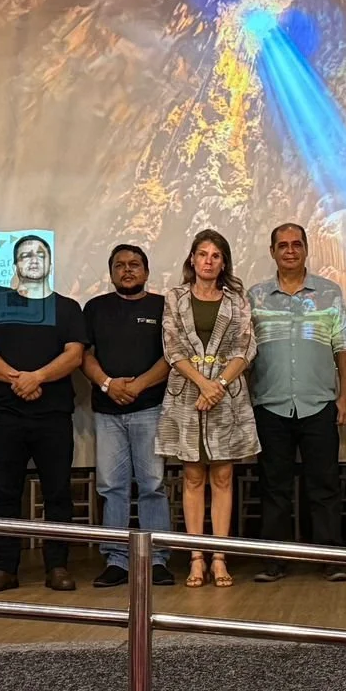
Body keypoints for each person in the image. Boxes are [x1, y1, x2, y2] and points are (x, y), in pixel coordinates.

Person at [0, 235, 86, 593]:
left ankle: (57, 567)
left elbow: (74, 356)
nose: (33, 260)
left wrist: (37, 377)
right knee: (5, 493)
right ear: (16, 264)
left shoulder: (67, 308)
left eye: (40, 254)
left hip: (52, 415)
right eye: (25, 255)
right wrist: (18, 379)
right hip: (6, 414)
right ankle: (4, 568)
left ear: (50, 263)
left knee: (57, 493)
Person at [246, 223, 346, 583]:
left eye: (296, 244)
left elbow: (344, 348)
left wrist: (344, 398)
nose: (290, 250)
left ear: (306, 249)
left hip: (319, 403)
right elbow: (243, 353)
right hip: (270, 403)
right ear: (272, 251)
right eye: (282, 245)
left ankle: (330, 558)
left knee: (324, 485)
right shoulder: (255, 297)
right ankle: (274, 560)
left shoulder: (329, 293)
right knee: (274, 486)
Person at [156, 230, 259, 589]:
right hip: (188, 395)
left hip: (227, 397)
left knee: (223, 477)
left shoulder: (237, 301)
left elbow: (245, 348)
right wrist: (204, 384)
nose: (209, 261)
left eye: (216, 256)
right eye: (203, 254)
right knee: (193, 477)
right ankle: (196, 557)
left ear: (224, 262)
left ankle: (219, 557)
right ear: (192, 260)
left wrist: (220, 386)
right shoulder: (175, 297)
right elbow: (172, 348)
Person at [82, 244, 173, 589]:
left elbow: (172, 357)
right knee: (112, 487)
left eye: (134, 264)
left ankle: (158, 559)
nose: (127, 270)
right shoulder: (95, 308)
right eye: (119, 265)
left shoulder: (163, 307)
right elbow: (83, 355)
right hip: (108, 412)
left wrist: (138, 386)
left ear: (146, 272)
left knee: (152, 485)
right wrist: (107, 384)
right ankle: (117, 560)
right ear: (111, 272)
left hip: (149, 408)